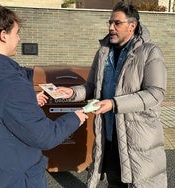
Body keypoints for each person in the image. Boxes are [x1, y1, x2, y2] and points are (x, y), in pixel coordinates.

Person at [0, 3, 88, 188]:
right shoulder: (13, 85)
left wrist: (28, 101)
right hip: (15, 178)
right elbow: (45, 136)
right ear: (2, 35)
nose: (18, 38)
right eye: (16, 33)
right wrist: (75, 117)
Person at [57, 2, 167, 187]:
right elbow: (92, 86)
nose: (110, 27)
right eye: (110, 22)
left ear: (132, 26)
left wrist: (115, 104)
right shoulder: (103, 53)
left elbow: (155, 94)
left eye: (117, 23)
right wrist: (72, 92)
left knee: (140, 183)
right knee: (115, 182)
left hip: (137, 139)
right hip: (108, 136)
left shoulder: (150, 52)